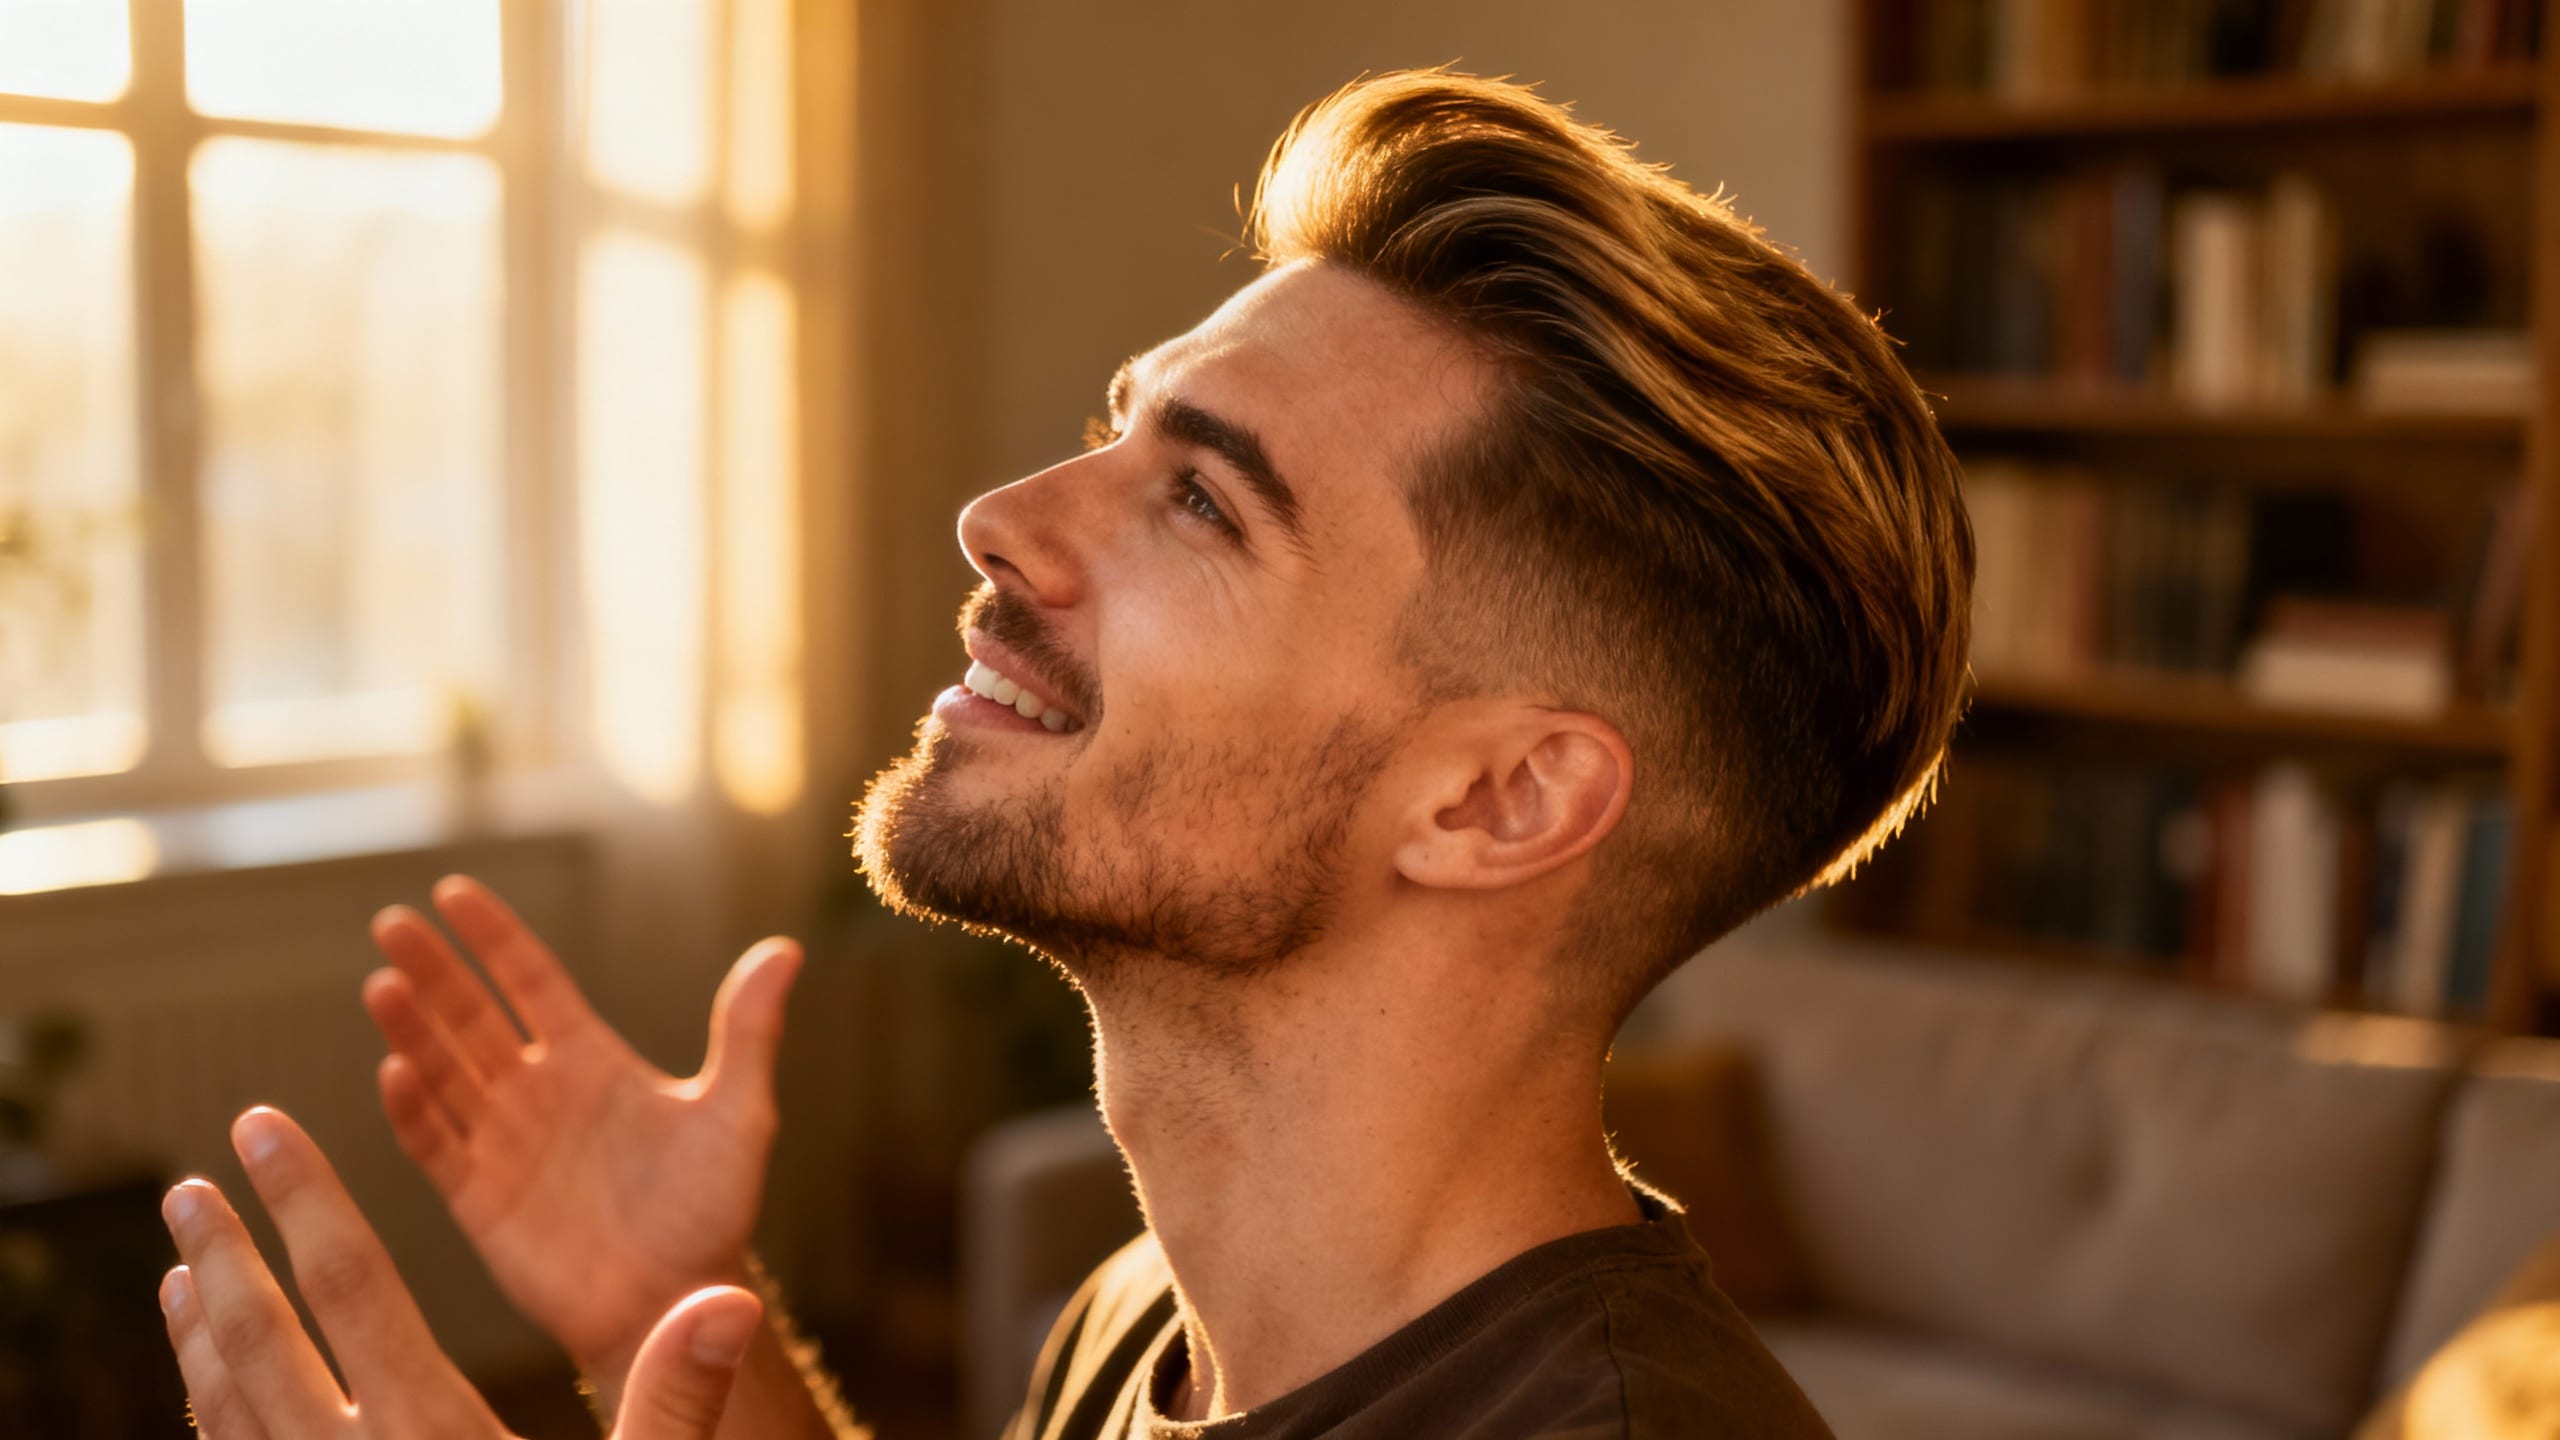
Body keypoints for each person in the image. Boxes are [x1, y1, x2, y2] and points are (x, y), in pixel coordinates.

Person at [154, 68, 1970, 1439]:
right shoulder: (1158, 1311)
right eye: (1119, 429)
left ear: (1498, 800)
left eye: (1200, 501)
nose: (1001, 515)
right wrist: (671, 1311)